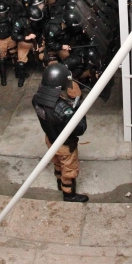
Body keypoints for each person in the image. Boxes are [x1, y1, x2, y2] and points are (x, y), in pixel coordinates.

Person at [32, 63, 88, 202]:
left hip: (50, 139)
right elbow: (80, 129)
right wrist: (79, 110)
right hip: (64, 145)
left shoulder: (37, 99)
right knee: (69, 169)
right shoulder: (62, 109)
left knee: (57, 162)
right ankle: (69, 194)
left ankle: (59, 181)